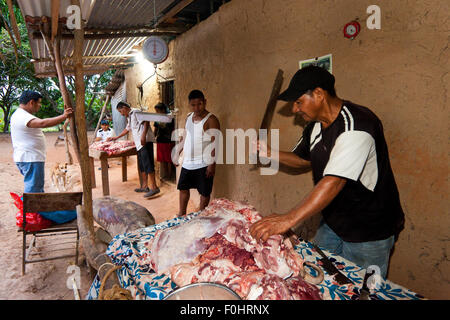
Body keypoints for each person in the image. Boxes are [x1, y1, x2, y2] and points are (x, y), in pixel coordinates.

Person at [249, 66, 405, 278]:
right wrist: (269, 152)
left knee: (362, 290)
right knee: (318, 276)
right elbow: (303, 159)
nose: (295, 110)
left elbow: (334, 181)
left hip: (369, 229)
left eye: (298, 102)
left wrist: (288, 219)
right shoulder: (315, 127)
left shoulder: (357, 125)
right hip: (333, 222)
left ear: (319, 94)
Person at [10, 90, 73, 192]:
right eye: (38, 102)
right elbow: (43, 123)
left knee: (35, 187)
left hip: (29, 157)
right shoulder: (22, 116)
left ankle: (32, 206)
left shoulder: (21, 114)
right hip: (30, 158)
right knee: (34, 189)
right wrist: (63, 116)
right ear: (31, 102)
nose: (39, 105)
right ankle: (32, 207)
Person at [175, 90, 220, 216]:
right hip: (188, 162)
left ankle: (201, 216)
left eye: (199, 104)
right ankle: (181, 214)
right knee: (183, 188)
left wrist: (212, 164)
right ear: (189, 104)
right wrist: (178, 151)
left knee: (204, 192)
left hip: (203, 163)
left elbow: (215, 143)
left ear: (205, 102)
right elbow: (185, 136)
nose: (197, 108)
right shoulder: (189, 117)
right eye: (193, 105)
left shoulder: (211, 119)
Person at [107, 101, 159, 198]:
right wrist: (116, 137)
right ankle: (144, 186)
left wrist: (143, 136)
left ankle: (154, 187)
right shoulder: (129, 116)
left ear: (124, 107)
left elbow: (146, 122)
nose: (121, 114)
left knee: (148, 164)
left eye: (120, 111)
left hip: (145, 142)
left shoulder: (136, 112)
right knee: (142, 166)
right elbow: (127, 129)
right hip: (139, 144)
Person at [153, 102, 175, 181]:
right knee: (163, 159)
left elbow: (173, 129)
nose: (157, 113)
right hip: (160, 140)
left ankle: (169, 175)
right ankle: (165, 175)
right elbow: (155, 129)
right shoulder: (157, 119)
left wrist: (173, 139)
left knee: (168, 159)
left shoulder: (170, 118)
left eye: (158, 111)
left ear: (163, 110)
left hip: (168, 140)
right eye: (156, 111)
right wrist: (153, 138)